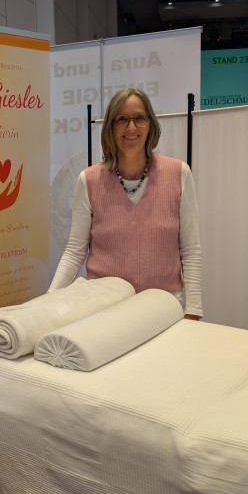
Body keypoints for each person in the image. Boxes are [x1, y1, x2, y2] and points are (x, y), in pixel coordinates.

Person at [49, 87, 203, 320]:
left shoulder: (179, 174)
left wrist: (193, 310)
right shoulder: (89, 180)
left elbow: (190, 249)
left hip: (164, 308)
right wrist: (50, 298)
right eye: (122, 119)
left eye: (139, 118)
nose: (131, 127)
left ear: (150, 124)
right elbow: (75, 250)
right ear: (110, 127)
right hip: (104, 308)